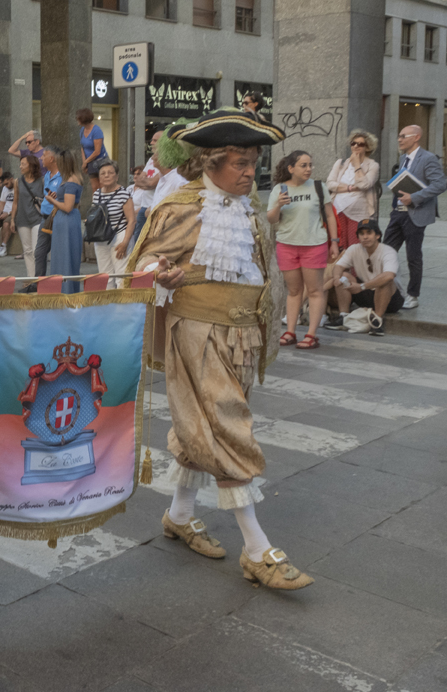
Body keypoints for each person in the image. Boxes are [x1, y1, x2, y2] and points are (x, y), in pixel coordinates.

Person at [129, 108, 312, 591]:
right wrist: (158, 275)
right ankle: (257, 549)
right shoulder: (182, 207)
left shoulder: (250, 208)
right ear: (210, 163)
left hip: (241, 336)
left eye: (253, 161)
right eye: (239, 162)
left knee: (203, 426)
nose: (251, 171)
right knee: (227, 424)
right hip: (197, 333)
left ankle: (179, 515)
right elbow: (143, 262)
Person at [268, 151, 338, 350]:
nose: (309, 169)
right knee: (294, 290)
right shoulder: (279, 190)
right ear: (291, 169)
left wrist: (334, 241)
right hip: (287, 244)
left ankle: (311, 334)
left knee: (315, 290)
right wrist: (278, 206)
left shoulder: (318, 187)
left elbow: (330, 215)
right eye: (303, 165)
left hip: (313, 244)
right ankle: (290, 331)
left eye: (310, 165)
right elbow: (271, 220)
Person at [383, 125, 445, 310]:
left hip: (416, 213)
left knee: (413, 256)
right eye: (399, 136)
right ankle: (389, 290)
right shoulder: (403, 158)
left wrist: (414, 197)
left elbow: (441, 184)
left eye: (403, 136)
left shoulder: (428, 158)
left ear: (416, 137)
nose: (399, 139)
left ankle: (412, 295)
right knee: (386, 251)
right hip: (398, 214)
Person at [324, 219, 403, 336]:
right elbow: (338, 266)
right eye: (362, 234)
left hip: (390, 298)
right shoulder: (354, 249)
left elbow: (389, 275)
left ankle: (377, 321)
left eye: (369, 233)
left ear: (377, 235)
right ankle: (343, 316)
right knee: (343, 276)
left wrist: (361, 286)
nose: (365, 237)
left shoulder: (388, 251)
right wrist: (336, 277)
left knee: (384, 281)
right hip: (366, 292)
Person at [325, 129, 379, 249]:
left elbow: (364, 185)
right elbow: (330, 184)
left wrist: (357, 165)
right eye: (353, 143)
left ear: (368, 147)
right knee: (341, 248)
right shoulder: (341, 163)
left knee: (356, 248)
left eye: (360, 144)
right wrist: (350, 188)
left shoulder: (373, 165)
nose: (356, 146)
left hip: (359, 214)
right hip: (338, 210)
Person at [45, 149, 83, 293]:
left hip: (66, 220)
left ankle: (65, 291)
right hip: (67, 220)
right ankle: (65, 290)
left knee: (65, 257)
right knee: (65, 256)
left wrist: (51, 200)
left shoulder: (71, 180)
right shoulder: (73, 178)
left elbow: (68, 207)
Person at [92, 162, 135, 287]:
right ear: (99, 178)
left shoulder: (123, 194)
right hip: (100, 238)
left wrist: (125, 243)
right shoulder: (96, 194)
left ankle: (122, 306)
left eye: (110, 173)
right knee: (105, 277)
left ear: (116, 176)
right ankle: (109, 305)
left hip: (120, 237)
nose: (106, 176)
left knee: (121, 277)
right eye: (103, 173)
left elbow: (131, 220)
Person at [33, 146, 64, 280]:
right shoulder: (46, 175)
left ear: (52, 158)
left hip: (57, 217)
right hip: (44, 218)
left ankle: (59, 281)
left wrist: (57, 197)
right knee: (39, 253)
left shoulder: (63, 176)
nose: (41, 158)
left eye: (43, 155)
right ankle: (38, 282)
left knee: (58, 253)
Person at [12, 152, 44, 278]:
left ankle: (38, 277)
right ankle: (31, 278)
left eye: (23, 164)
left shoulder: (41, 181)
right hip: (22, 219)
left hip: (37, 218)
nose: (20, 167)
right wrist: (13, 220)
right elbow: (15, 202)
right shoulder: (17, 182)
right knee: (27, 251)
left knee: (37, 250)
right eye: (20, 164)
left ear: (31, 166)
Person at [77, 108, 108, 181]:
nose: (77, 119)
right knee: (94, 187)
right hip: (90, 161)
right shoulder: (82, 130)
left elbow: (97, 151)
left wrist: (85, 162)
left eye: (78, 118)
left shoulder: (96, 130)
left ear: (83, 119)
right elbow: (82, 147)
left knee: (102, 185)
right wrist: (85, 163)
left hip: (101, 161)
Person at [0, 170, 15, 258]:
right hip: (4, 212)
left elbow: (19, 204)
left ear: (12, 179)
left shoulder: (18, 187)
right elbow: (1, 203)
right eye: (4, 184)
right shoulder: (5, 188)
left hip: (13, 213)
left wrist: (8, 213)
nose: (5, 186)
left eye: (7, 183)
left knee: (6, 223)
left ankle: (3, 246)